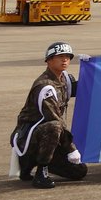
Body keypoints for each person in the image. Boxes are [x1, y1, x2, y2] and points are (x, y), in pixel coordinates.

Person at [10, 42, 88, 189]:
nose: (64, 60)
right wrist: (71, 149)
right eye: (60, 57)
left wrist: (92, 69)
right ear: (49, 60)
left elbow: (78, 90)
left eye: (67, 57)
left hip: (50, 140)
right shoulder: (44, 86)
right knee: (54, 126)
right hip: (29, 138)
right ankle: (40, 172)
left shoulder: (63, 78)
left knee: (79, 172)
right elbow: (54, 119)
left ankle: (29, 164)